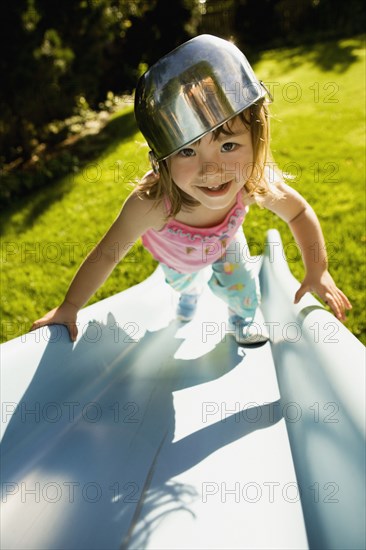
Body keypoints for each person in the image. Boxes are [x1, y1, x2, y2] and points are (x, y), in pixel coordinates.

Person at [31, 34, 352, 344]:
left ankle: (241, 318)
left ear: (257, 138)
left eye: (228, 145)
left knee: (242, 286)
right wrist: (70, 306)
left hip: (226, 245)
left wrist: (317, 270)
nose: (211, 170)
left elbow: (298, 212)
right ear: (162, 161)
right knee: (186, 285)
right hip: (177, 261)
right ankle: (190, 293)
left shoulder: (253, 183)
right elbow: (107, 254)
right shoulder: (152, 203)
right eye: (187, 151)